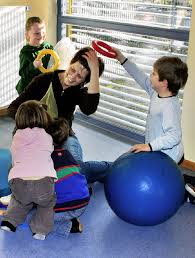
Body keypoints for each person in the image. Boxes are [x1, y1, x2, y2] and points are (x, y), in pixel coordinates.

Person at [8, 46, 111, 184]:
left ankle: (112, 168)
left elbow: (89, 108)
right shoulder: (44, 80)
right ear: (70, 62)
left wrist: (95, 71)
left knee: (75, 169)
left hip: (64, 137)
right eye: (73, 69)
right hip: (35, 138)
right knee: (28, 174)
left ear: (84, 81)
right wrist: (33, 122)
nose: (73, 76)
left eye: (79, 76)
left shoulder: (80, 92)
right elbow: (12, 108)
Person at [112, 47, 195, 203]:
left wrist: (149, 146)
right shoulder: (157, 92)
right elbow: (140, 77)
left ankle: (186, 192)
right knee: (164, 177)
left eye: (154, 73)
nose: (150, 75)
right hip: (157, 149)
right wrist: (121, 58)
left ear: (163, 83)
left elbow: (174, 136)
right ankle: (184, 180)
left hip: (168, 154)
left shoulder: (169, 106)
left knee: (164, 187)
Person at [1, 100, 56, 241]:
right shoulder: (47, 136)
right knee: (47, 204)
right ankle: (40, 231)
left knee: (19, 200)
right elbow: (49, 153)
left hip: (18, 182)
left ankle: (9, 222)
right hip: (43, 183)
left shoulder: (16, 136)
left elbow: (15, 159)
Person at [47, 118, 90, 236]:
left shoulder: (47, 159)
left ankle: (71, 226)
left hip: (65, 207)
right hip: (83, 203)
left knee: (36, 220)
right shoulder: (68, 154)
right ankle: (71, 217)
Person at [16, 16, 53, 94]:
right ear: (27, 34)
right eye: (37, 33)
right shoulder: (26, 52)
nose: (41, 36)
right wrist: (33, 65)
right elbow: (23, 73)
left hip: (40, 86)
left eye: (43, 33)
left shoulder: (47, 47)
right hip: (27, 88)